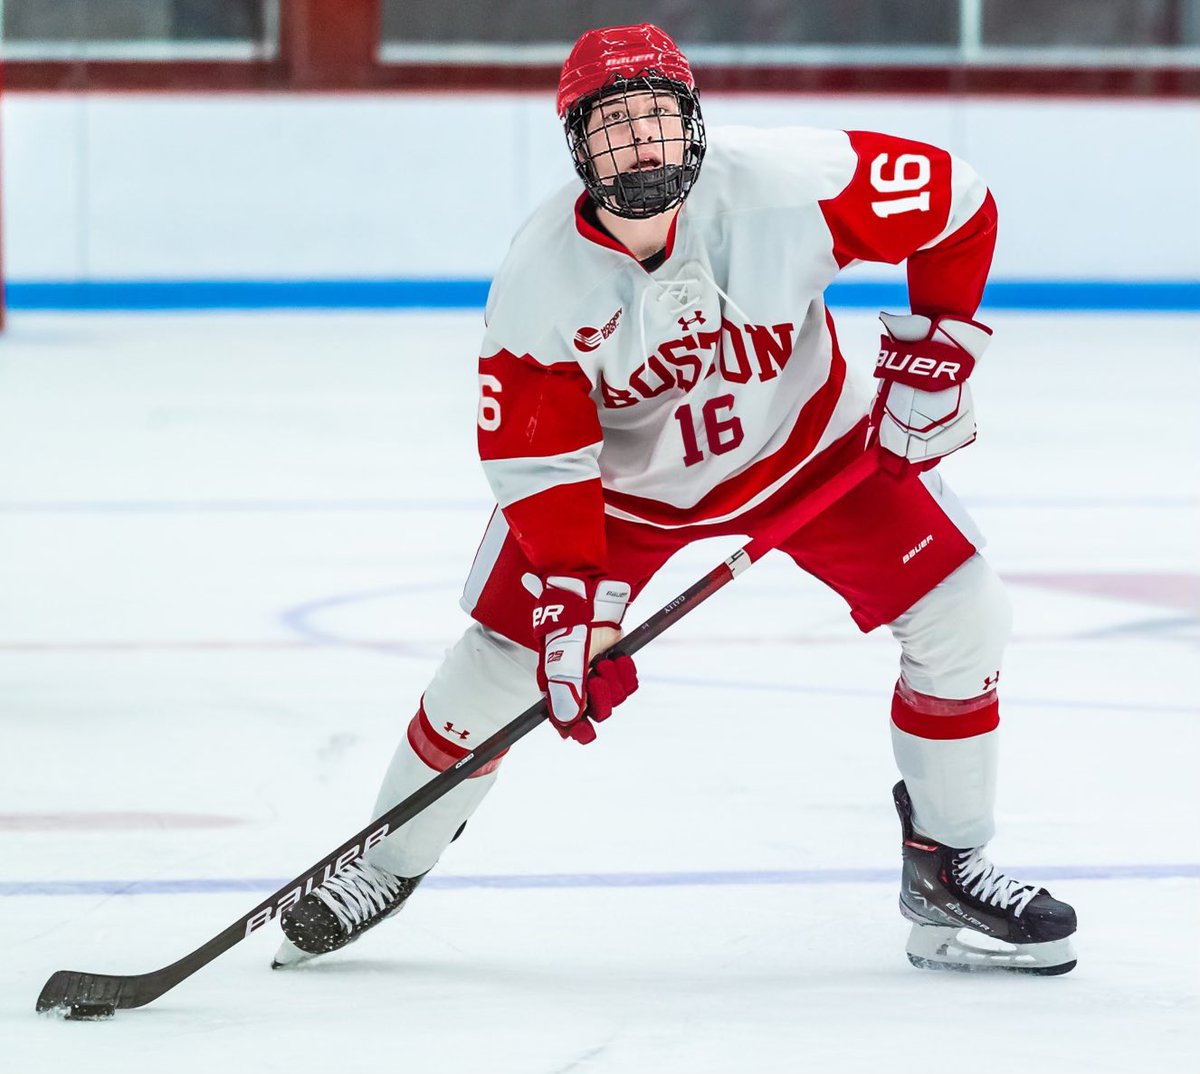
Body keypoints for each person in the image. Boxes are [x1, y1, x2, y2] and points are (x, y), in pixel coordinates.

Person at [273, 23, 1077, 975]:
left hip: (806, 450)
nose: (642, 145)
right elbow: (537, 461)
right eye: (615, 128)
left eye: (658, 119)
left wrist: (942, 348)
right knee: (497, 665)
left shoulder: (788, 185)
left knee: (963, 612)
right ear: (580, 149)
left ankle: (948, 864)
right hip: (621, 502)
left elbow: (958, 201)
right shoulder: (541, 283)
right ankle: (388, 860)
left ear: (694, 124)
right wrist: (575, 596)